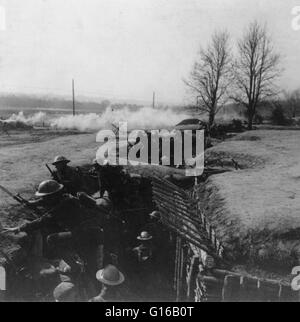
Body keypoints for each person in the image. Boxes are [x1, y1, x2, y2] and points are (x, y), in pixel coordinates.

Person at [3, 180, 104, 280]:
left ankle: (74, 266)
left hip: (87, 233)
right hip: (89, 230)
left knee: (51, 239)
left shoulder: (64, 205)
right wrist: (30, 203)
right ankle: (74, 258)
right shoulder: (65, 197)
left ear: (53, 195)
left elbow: (43, 220)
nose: (44, 199)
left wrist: (19, 228)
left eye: (46, 196)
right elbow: (43, 201)